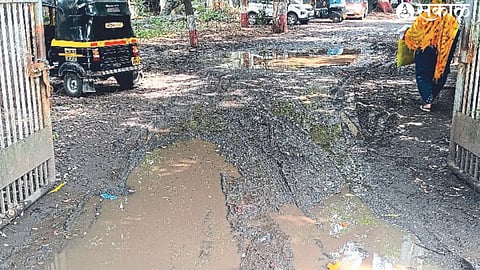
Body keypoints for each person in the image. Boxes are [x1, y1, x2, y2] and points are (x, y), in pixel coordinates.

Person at [404, 0, 460, 112]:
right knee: (440, 74)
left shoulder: (424, 18)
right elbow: (454, 38)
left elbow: (412, 34)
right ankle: (432, 96)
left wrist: (406, 35)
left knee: (423, 75)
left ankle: (427, 102)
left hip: (425, 50)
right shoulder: (452, 21)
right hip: (443, 54)